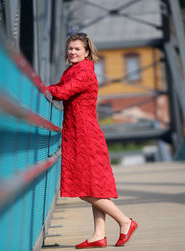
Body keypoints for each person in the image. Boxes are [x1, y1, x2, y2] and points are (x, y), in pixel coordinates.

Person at [46, 32, 138, 249]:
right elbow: (61, 88)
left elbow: (62, 92)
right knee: (94, 186)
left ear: (87, 52)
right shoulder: (72, 70)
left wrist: (45, 89)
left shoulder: (84, 72)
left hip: (85, 135)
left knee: (85, 189)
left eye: (77, 49)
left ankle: (125, 221)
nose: (72, 52)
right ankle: (99, 235)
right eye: (70, 48)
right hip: (78, 133)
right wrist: (52, 88)